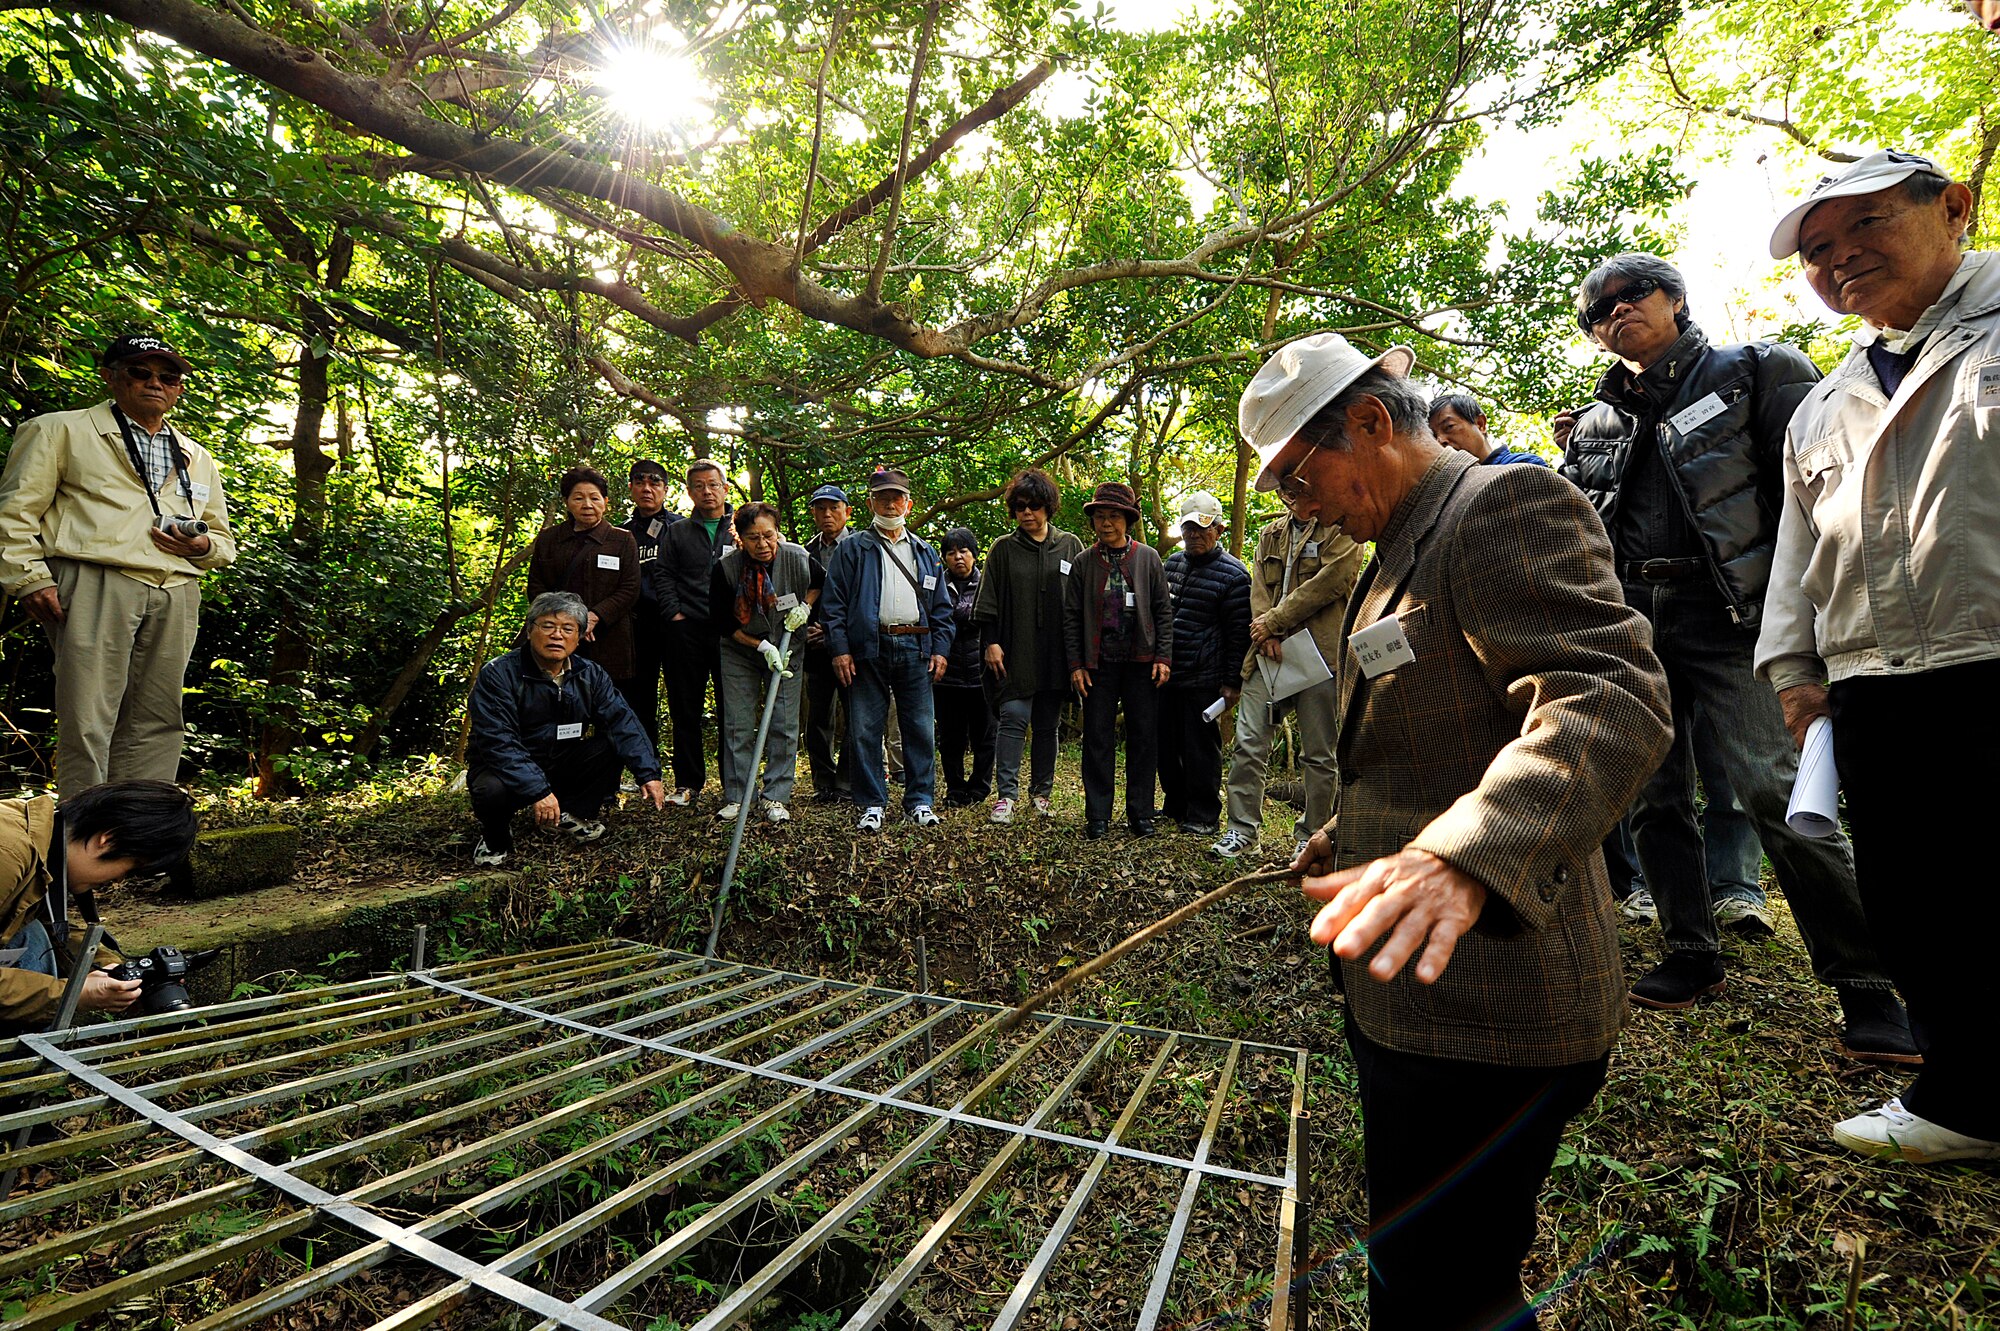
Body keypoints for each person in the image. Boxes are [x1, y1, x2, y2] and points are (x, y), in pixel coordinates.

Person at [1244, 332, 1672, 1331]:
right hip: (1418, 1002)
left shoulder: (1497, 505)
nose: (1295, 506)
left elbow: (1607, 697)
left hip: (1496, 1005)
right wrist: (1354, 831)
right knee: (1416, 1262)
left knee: (1451, 1287)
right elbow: (1432, 733)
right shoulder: (1389, 547)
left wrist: (1462, 854)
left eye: (1298, 478)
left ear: (1365, 422)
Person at [1559, 252, 1914, 1062]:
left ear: (1675, 298)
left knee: (1775, 788)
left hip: (1735, 617)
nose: (1615, 313)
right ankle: (1691, 949)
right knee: (1651, 795)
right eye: (1597, 311)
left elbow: (1821, 491)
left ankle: (1867, 984)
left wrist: (1814, 619)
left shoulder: (1755, 370)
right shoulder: (1596, 420)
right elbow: (1585, 529)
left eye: (1630, 295)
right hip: (1634, 621)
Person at [1761, 150, 2000, 1162]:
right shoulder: (1824, 399)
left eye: (1863, 227)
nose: (1839, 259)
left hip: (1986, 652)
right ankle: (1968, 1097)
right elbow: (1796, 550)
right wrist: (1791, 668)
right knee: (1914, 897)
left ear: (1951, 208)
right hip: (1873, 676)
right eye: (1816, 250)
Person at [0, 334, 236, 797]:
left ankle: (140, 837)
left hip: (176, 589)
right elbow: (14, 513)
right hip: (94, 579)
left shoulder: (195, 455)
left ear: (179, 388)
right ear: (110, 376)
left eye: (168, 376)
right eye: (139, 372)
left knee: (160, 717)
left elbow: (223, 541)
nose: (155, 383)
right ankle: (82, 843)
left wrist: (201, 546)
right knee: (89, 716)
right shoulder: (58, 430)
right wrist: (29, 579)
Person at [1211, 464, 1365, 861]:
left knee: (1318, 753)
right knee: (1248, 743)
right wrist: (1267, 631)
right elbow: (1259, 589)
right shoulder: (1270, 534)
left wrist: (1276, 622)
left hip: (1321, 655)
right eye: (1285, 488)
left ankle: (1311, 834)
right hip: (1267, 654)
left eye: (1298, 485)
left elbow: (1335, 580)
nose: (1291, 494)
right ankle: (1241, 832)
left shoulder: (1342, 527)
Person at [465, 592, 665, 865]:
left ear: (580, 636)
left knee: (610, 745)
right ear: (530, 629)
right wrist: (538, 791)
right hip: (506, 767)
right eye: (548, 626)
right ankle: (494, 836)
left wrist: (648, 772)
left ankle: (571, 814)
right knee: (491, 789)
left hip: (560, 758)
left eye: (567, 628)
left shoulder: (590, 674)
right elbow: (498, 742)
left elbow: (621, 721)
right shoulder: (499, 674)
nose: (557, 635)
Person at [1, 780, 198, 1033]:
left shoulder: (44, 844)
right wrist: (70, 995)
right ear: (107, 839)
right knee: (33, 940)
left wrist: (111, 969)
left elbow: (50, 925)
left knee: (35, 934)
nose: (118, 880)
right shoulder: (8, 853)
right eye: (131, 868)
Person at [819, 468, 954, 831]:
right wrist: (840, 650)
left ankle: (920, 800)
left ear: (909, 504)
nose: (890, 504)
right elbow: (833, 606)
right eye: (882, 497)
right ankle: (871, 802)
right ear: (869, 503)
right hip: (868, 647)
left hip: (916, 646)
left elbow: (942, 608)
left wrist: (940, 649)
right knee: (864, 728)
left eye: (897, 497)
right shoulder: (853, 548)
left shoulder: (925, 552)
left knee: (920, 728)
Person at [973, 468, 1083, 825]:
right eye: (1020, 506)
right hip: (1013, 648)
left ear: (1048, 507)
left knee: (1047, 723)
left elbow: (1083, 602)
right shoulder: (1003, 548)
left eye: (1035, 505)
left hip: (1056, 650)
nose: (1027, 513)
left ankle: (1042, 794)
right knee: (1014, 716)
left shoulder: (1070, 545)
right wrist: (991, 642)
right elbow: (986, 601)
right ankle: (1006, 796)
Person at [1063, 482, 1172, 840]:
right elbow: (1071, 616)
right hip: (1099, 664)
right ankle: (1097, 816)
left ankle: (1141, 813)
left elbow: (1162, 611)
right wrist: (1076, 664)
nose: (1105, 523)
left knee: (1144, 737)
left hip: (1141, 661)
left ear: (1128, 520)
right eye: (1099, 516)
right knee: (1097, 738)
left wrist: (1163, 657)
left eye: (1113, 516)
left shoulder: (1148, 558)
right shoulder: (1083, 562)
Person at [708, 503, 818, 823]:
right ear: (739, 538)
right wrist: (761, 646)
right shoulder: (726, 568)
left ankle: (775, 796)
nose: (763, 545)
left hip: (788, 649)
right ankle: (738, 794)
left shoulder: (797, 557)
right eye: (753, 538)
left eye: (768, 535)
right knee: (737, 723)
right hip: (740, 649)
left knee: (784, 722)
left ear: (777, 532)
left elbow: (818, 582)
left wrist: (805, 607)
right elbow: (722, 624)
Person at [1158, 491, 1250, 836]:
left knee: (1200, 749)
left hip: (1206, 678)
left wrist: (1231, 683)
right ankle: (1174, 806)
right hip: (1168, 673)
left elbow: (1239, 635)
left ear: (1219, 530)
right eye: (1188, 529)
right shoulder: (1172, 564)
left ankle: (1204, 814)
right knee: (1166, 746)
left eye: (1202, 528)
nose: (1195, 535)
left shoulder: (1234, 576)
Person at [654, 459, 734, 805]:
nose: (707, 492)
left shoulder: (741, 526)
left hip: (732, 633)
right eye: (699, 486)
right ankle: (688, 783)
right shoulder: (679, 531)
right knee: (685, 707)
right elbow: (663, 574)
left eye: (713, 485)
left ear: (725, 488)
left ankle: (735, 783)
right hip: (686, 631)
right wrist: (673, 613)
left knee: (733, 709)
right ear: (689, 492)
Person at [525, 467, 642, 685]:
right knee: (558, 697)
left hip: (608, 638)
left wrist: (594, 617)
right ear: (567, 502)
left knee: (606, 699)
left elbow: (630, 588)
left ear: (605, 501)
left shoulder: (622, 540)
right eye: (578, 498)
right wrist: (567, 622)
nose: (587, 505)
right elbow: (536, 586)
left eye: (595, 498)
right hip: (557, 636)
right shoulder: (549, 539)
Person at [619, 459, 678, 752]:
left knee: (683, 699)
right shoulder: (620, 533)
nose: (647, 488)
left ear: (665, 489)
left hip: (676, 626)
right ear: (630, 487)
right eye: (640, 482)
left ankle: (686, 778)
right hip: (635, 627)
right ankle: (647, 768)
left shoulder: (681, 528)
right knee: (639, 699)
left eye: (654, 482)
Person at [934, 527, 995, 807]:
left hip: (983, 674)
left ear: (974, 553)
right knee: (951, 738)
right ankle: (955, 789)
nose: (958, 557)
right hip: (947, 676)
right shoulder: (935, 585)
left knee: (985, 736)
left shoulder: (987, 584)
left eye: (964, 551)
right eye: (951, 552)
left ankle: (979, 788)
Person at [800, 483, 853, 803]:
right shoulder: (805, 551)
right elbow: (796, 594)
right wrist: (806, 628)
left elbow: (866, 598)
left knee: (855, 715)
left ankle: (847, 781)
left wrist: (836, 631)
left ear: (847, 512)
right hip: (816, 649)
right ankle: (823, 780)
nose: (828, 514)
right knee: (817, 717)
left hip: (851, 646)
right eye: (821, 508)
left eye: (834, 508)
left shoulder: (862, 547)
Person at [1427, 392, 1548, 466]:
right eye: (1433, 436)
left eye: (1449, 427)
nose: (1440, 440)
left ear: (1480, 424)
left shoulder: (1523, 465)